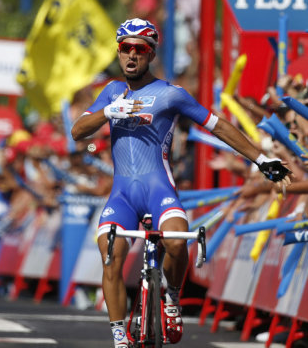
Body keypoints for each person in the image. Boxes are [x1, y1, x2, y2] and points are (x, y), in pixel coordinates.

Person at [70, 18, 292, 348]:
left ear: (151, 54)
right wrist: (109, 112)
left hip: (160, 189)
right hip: (122, 196)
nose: (131, 56)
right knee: (110, 256)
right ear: (118, 53)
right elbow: (77, 132)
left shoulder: (171, 94)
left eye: (139, 50)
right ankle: (119, 337)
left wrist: (262, 160)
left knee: (175, 242)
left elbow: (217, 126)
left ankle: (171, 298)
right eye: (125, 49)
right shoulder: (112, 91)